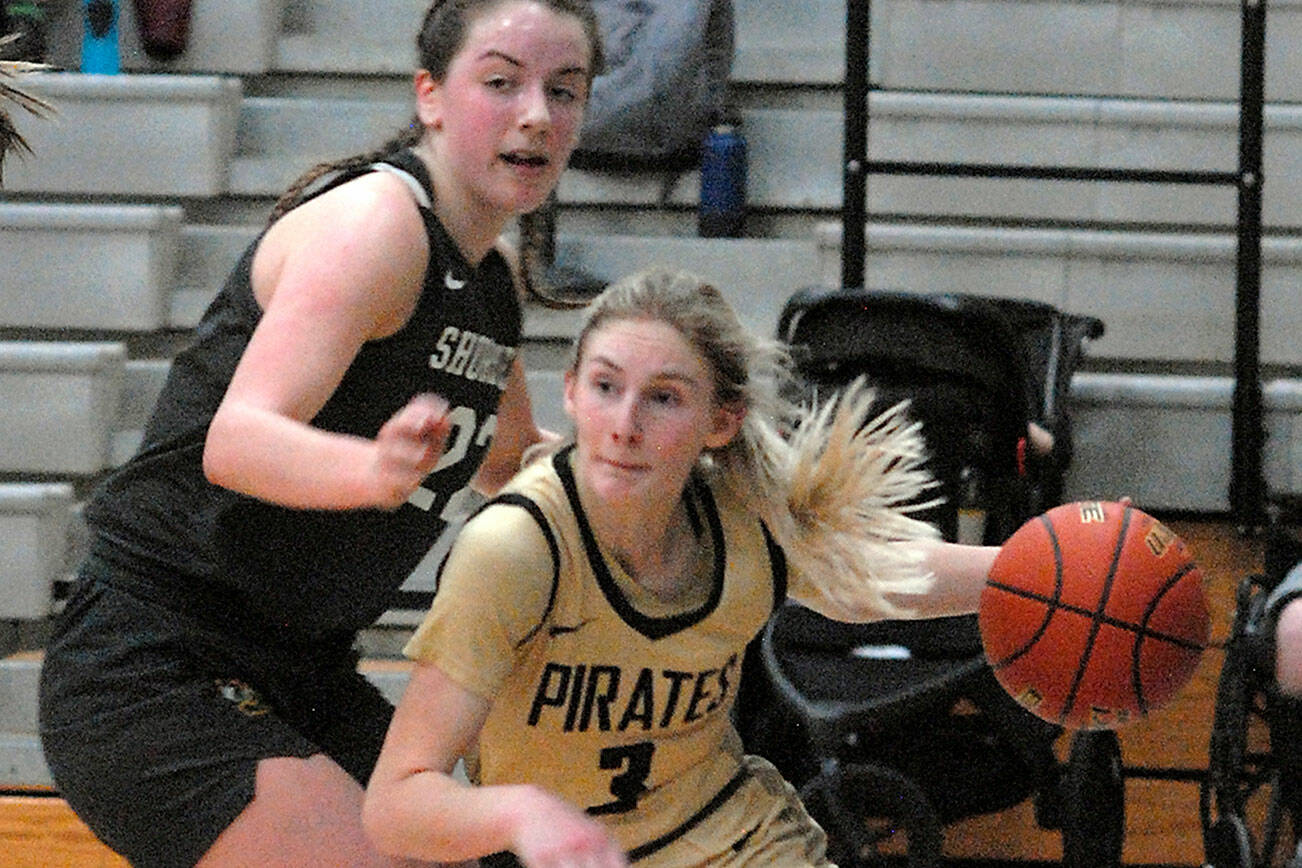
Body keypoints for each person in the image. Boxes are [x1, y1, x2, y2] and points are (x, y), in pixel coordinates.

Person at [37, 1, 605, 865]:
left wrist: (662, 477)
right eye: (502, 82)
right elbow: (241, 440)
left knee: (485, 853)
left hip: (302, 672)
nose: (537, 113)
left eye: (564, 91)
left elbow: (517, 468)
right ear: (431, 96)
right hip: (157, 666)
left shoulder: (488, 282)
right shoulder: (376, 225)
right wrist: (372, 469)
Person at [361, 269, 1004, 867]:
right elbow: (394, 806)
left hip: (736, 841)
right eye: (606, 387)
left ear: (721, 422)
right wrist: (520, 814)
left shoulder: (745, 520)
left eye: (664, 398)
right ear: (571, 392)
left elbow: (885, 575)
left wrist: (1045, 567)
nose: (624, 425)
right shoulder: (514, 549)